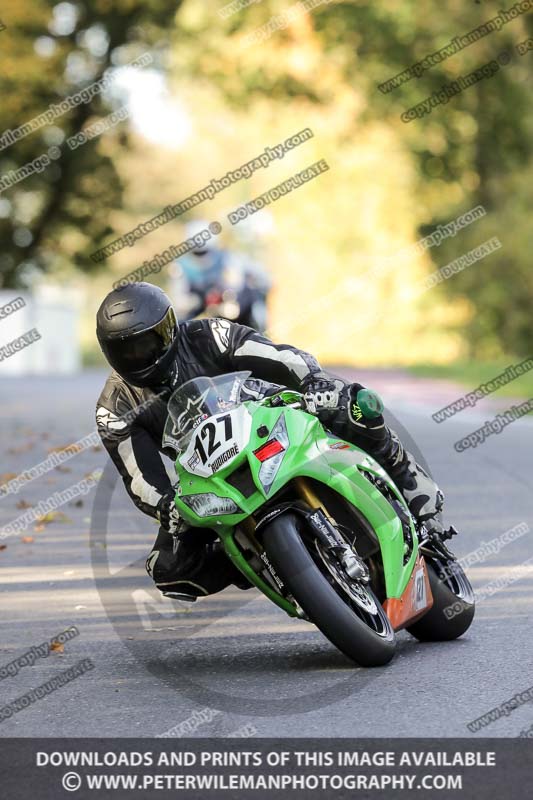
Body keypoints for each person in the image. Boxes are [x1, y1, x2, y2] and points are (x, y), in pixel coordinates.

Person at [95, 282, 444, 601]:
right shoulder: (114, 407)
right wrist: (166, 506)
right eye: (124, 351)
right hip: (211, 474)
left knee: (355, 404)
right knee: (167, 568)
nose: (137, 356)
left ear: (168, 329)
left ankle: (413, 488)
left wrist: (313, 382)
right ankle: (269, 561)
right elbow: (140, 478)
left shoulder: (208, 334)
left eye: (145, 343)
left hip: (271, 420)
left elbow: (279, 356)